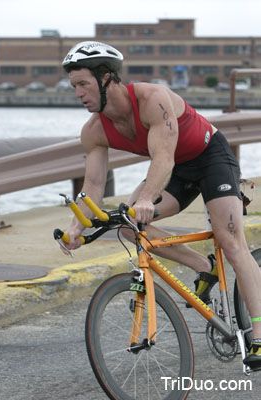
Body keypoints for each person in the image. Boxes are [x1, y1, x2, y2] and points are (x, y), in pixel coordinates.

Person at [61, 41, 261, 369]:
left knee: (230, 241)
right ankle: (203, 266)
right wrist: (74, 229)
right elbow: (94, 186)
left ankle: (258, 335)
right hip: (177, 171)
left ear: (107, 78)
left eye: (83, 84)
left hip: (210, 158)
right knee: (128, 226)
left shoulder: (153, 99)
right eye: (74, 87)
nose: (78, 93)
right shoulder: (94, 130)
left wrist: (143, 199)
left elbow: (164, 157)